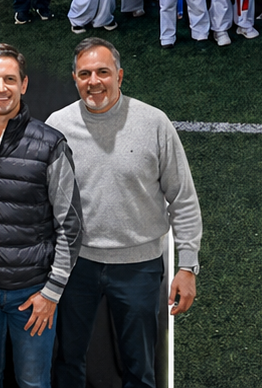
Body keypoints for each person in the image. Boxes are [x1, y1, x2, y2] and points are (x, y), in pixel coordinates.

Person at [48, 39, 201, 388]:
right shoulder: (58, 125)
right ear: (74, 78)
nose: (94, 81)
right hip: (76, 265)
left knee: (140, 368)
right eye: (85, 73)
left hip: (139, 268)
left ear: (120, 75)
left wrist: (188, 266)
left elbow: (184, 199)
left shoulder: (154, 123)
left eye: (103, 72)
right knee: (67, 362)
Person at [0, 45, 81, 388]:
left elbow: (70, 226)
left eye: (10, 79)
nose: (1, 88)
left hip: (32, 294)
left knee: (34, 384)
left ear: (24, 85)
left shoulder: (51, 144)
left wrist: (51, 292)